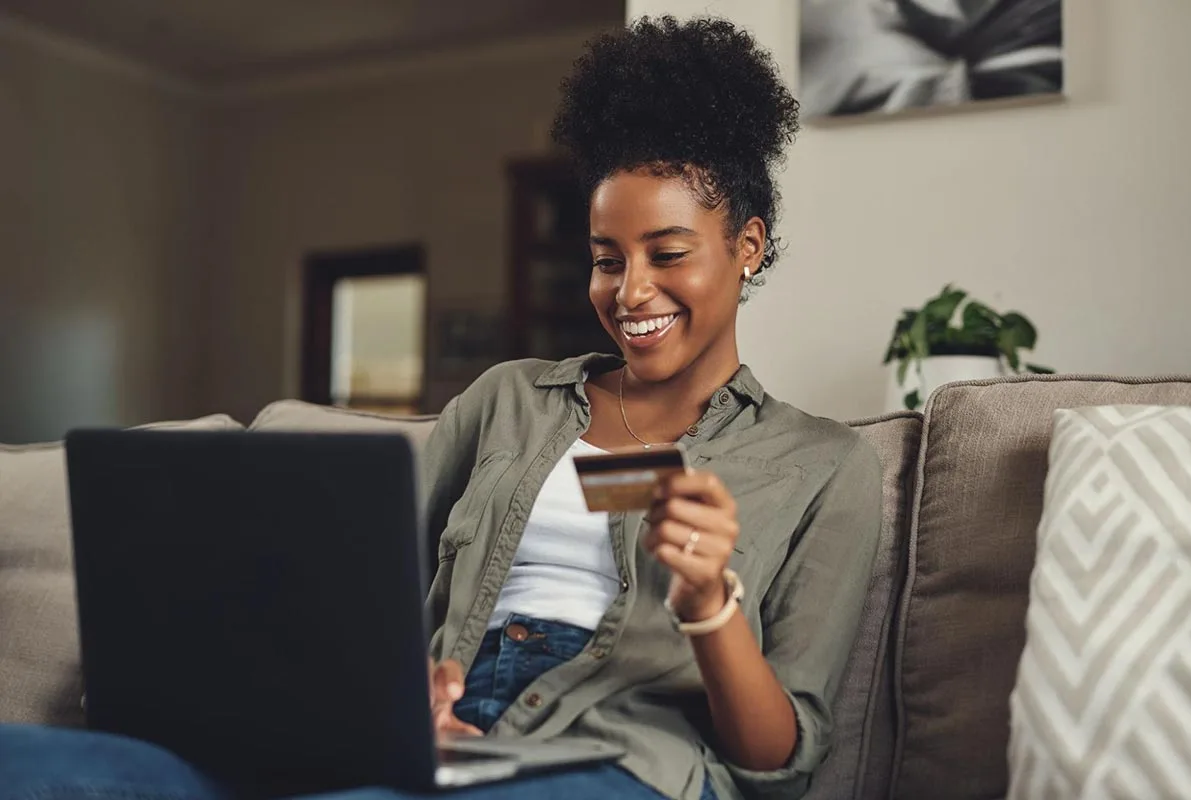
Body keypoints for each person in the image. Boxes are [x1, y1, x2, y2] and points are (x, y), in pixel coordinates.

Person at [0, 15, 882, 800]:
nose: (630, 289)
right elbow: (347, 586)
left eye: (669, 251)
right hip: (424, 738)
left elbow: (781, 760)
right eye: (607, 257)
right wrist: (389, 690)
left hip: (613, 760)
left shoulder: (821, 463)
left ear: (748, 247)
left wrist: (708, 602)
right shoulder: (509, 400)